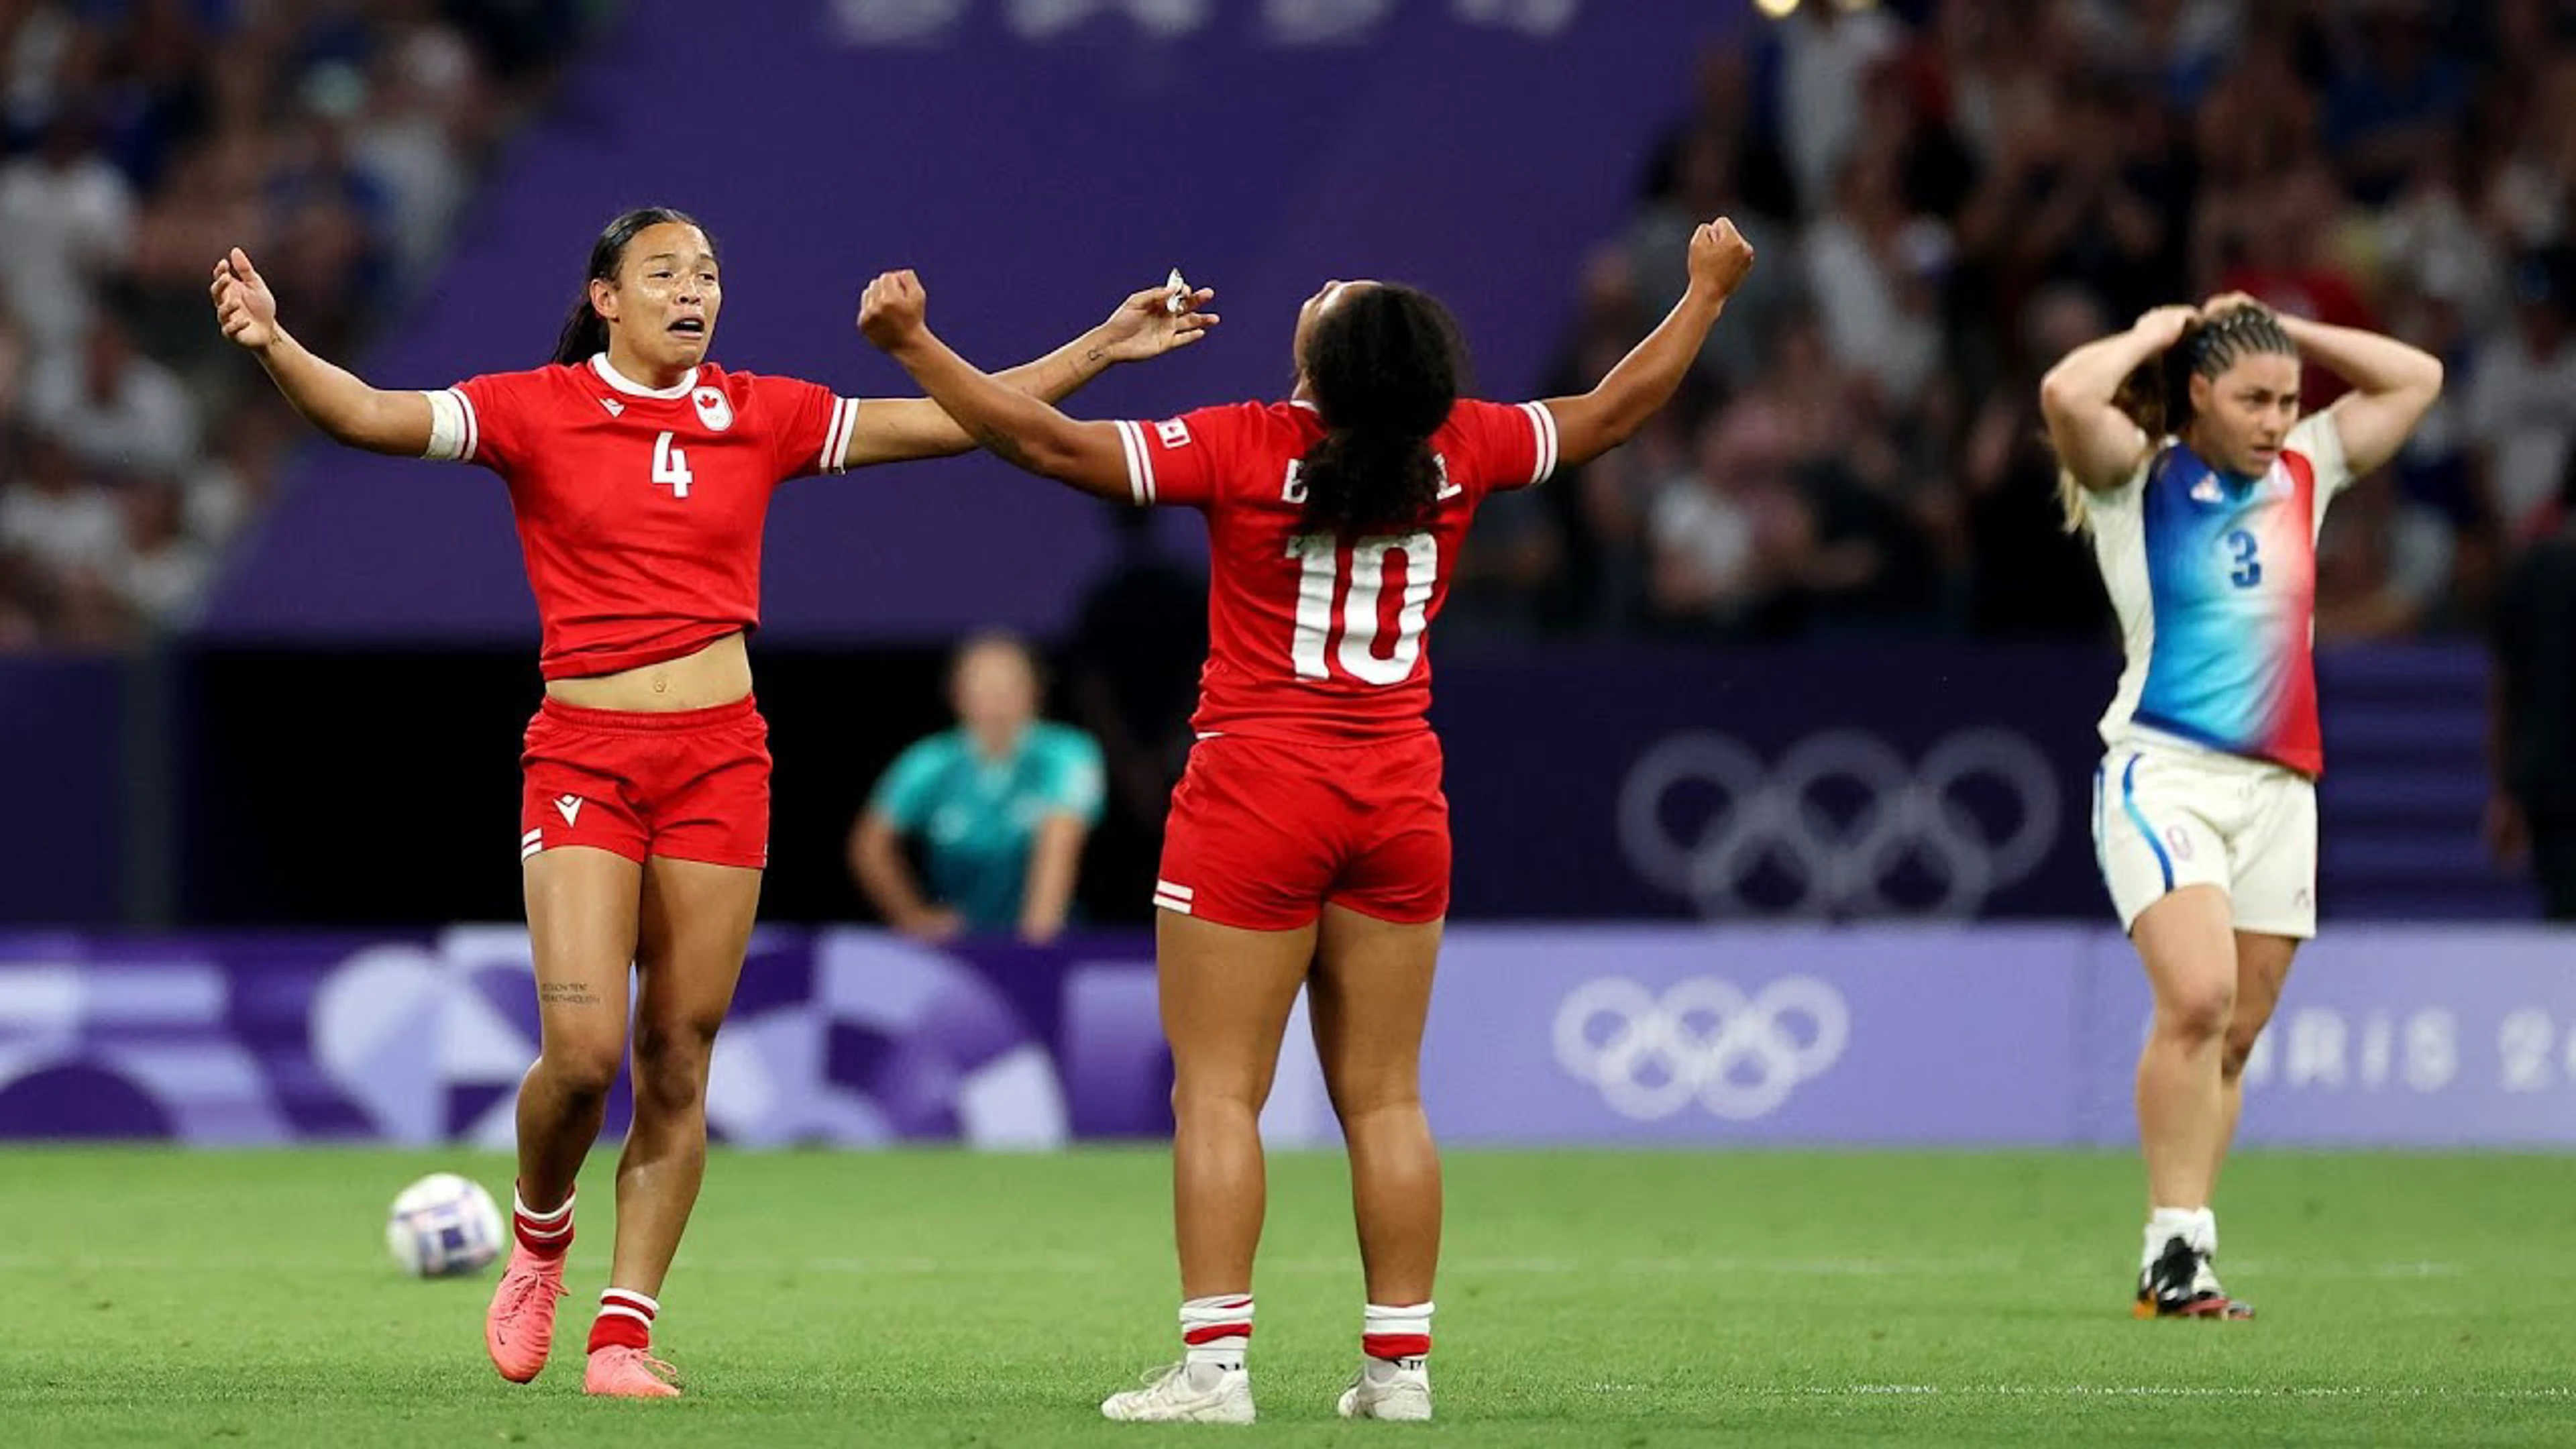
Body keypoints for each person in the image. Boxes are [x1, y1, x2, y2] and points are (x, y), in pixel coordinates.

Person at [210, 206, 1212, 1397]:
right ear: (606, 300)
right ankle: (538, 1239)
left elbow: (956, 419)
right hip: (583, 758)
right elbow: (369, 414)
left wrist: (1099, 345)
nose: (696, 291)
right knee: (581, 1058)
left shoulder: (762, 411)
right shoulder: (536, 408)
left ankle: (622, 1336)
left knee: (679, 1054)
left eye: (710, 274)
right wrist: (276, 345)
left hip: (719, 761)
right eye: (666, 273)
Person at [855, 217, 1757, 1423]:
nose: (1328, 282)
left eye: (1339, 295)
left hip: (1254, 797)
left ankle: (1217, 1372)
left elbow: (1049, 446)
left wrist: (918, 347)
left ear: (1323, 366)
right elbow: (1613, 411)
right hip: (1399, 797)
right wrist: (1703, 295)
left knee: (1218, 1094)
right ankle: (1400, 1376)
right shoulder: (1465, 445)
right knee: (1386, 1097)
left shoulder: (1245, 444)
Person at [2039, 294, 2442, 1319]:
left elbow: (2418, 378)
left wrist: (2289, 331)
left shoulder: (2310, 468)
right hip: (2162, 774)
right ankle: (2174, 1248)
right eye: (2254, 398)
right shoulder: (2138, 478)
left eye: (2288, 400)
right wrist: (2155, 334)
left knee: (2236, 1033)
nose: (2275, 419)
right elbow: (2062, 391)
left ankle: (2185, 1257)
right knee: (2201, 997)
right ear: (2201, 395)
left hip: (2281, 789)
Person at [849, 629, 1106, 943]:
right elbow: (869, 845)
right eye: (982, 685)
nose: (996, 698)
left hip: (1047, 944)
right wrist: (913, 918)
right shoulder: (929, 762)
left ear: (1035, 690)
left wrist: (1034, 947)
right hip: (959, 948)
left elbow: (1060, 841)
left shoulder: (1068, 753)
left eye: (1008, 685)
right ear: (957, 693)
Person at [2486, 453, 2576, 920]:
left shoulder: (2529, 571)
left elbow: (2503, 691)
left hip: (2546, 789)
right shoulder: (2533, 574)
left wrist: (2504, 789)